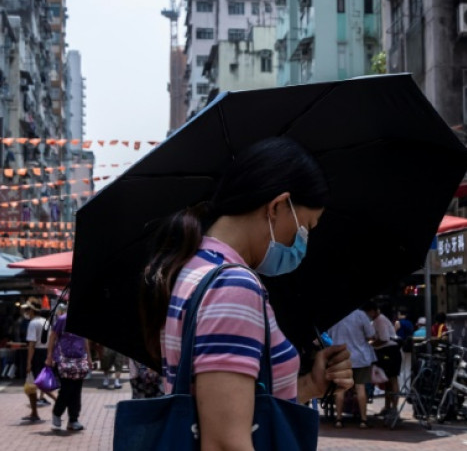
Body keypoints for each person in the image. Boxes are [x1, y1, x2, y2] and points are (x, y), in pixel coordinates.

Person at [140, 137, 354, 449]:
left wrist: (310, 384)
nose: (303, 244)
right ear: (278, 206)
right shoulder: (233, 287)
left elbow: (241, 407)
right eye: (305, 227)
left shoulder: (195, 266)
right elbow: (225, 442)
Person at [44, 305, 91, 431]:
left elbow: (85, 339)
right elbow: (53, 336)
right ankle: (57, 413)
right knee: (67, 389)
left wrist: (89, 357)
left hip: (79, 359)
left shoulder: (82, 320)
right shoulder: (62, 319)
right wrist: (49, 355)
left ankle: (73, 419)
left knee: (76, 390)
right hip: (63, 359)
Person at [330, 307, 377, 428]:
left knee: (340, 388)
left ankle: (338, 419)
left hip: (340, 357)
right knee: (360, 388)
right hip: (360, 357)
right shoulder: (360, 315)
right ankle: (363, 420)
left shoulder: (334, 315)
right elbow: (371, 334)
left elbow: (328, 335)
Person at [366, 302, 401, 415]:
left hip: (391, 352)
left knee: (392, 379)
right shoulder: (376, 321)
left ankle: (394, 408)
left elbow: (384, 339)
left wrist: (372, 344)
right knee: (387, 381)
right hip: (386, 352)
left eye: (369, 312)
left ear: (373, 310)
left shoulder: (380, 320)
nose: (368, 314)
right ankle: (387, 407)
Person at [22, 300, 51, 422]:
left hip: (37, 355)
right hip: (45, 353)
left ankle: (60, 404)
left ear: (32, 310)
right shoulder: (46, 322)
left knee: (33, 385)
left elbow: (32, 344)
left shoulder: (33, 323)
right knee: (37, 385)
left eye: (27, 310)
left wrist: (29, 362)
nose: (25, 312)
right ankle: (34, 412)